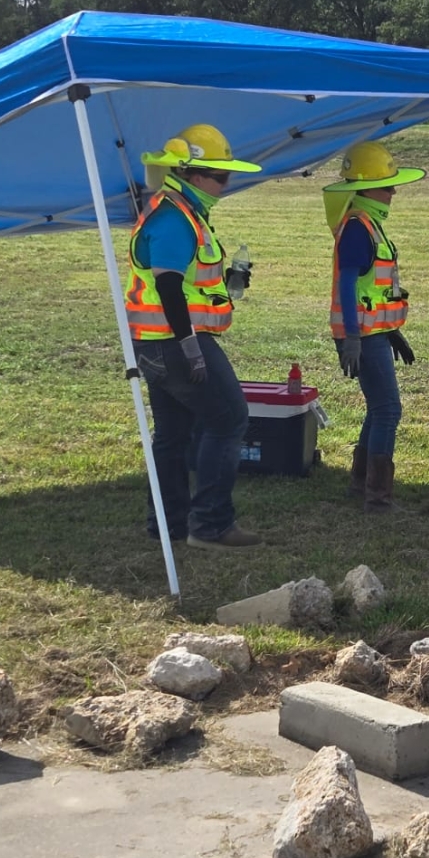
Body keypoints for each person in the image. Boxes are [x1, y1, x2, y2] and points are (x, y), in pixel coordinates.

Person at [128, 124, 262, 550]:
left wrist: (228, 281)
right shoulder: (174, 218)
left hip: (155, 340)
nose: (226, 184)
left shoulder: (178, 211)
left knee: (173, 432)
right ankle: (211, 525)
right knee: (229, 419)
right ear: (192, 175)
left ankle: (167, 525)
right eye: (220, 176)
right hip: (174, 342)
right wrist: (190, 348)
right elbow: (168, 286)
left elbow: (184, 281)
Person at [323, 141, 425, 512]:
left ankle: (360, 483)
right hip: (362, 336)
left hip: (372, 333)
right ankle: (377, 497)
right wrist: (353, 337)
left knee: (378, 407)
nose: (393, 191)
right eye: (387, 184)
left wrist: (391, 331)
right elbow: (347, 286)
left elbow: (373, 289)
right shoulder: (357, 229)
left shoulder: (368, 225)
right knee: (388, 410)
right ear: (365, 188)